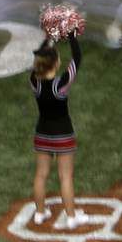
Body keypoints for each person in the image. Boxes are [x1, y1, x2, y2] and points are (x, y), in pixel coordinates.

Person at [29, 32, 88, 229]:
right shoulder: (61, 85)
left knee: (40, 175)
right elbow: (77, 57)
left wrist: (49, 36)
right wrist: (71, 34)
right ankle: (71, 217)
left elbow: (37, 62)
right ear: (55, 63)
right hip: (63, 134)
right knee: (66, 176)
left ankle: (39, 213)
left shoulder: (34, 82)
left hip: (42, 134)